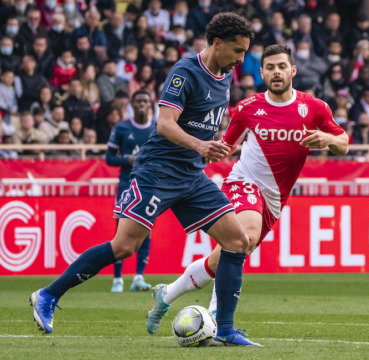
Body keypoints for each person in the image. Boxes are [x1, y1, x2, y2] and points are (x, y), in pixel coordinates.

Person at [30, 12, 260, 347]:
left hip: (192, 175)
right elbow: (165, 124)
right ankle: (47, 296)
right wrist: (199, 145)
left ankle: (224, 329)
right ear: (217, 43)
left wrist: (213, 146)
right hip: (158, 171)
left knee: (238, 242)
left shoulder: (224, 75)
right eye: (238, 50)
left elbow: (202, 122)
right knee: (124, 246)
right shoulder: (185, 71)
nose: (241, 59)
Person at [144, 44, 348, 336]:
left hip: (275, 199)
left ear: (293, 70)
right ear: (261, 73)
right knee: (246, 236)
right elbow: (226, 148)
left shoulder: (314, 108)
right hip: (243, 183)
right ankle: (217, 320)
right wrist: (188, 157)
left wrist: (329, 139)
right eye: (269, 67)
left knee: (225, 256)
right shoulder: (249, 107)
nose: (276, 72)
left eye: (281, 66)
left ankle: (165, 295)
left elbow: (345, 142)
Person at [106, 90, 157, 292]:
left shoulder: (158, 128)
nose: (142, 104)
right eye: (138, 101)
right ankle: (117, 279)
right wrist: (126, 160)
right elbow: (109, 158)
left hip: (150, 185)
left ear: (150, 104)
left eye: (145, 101)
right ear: (132, 104)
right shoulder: (121, 127)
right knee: (121, 231)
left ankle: (138, 277)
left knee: (147, 230)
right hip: (126, 184)